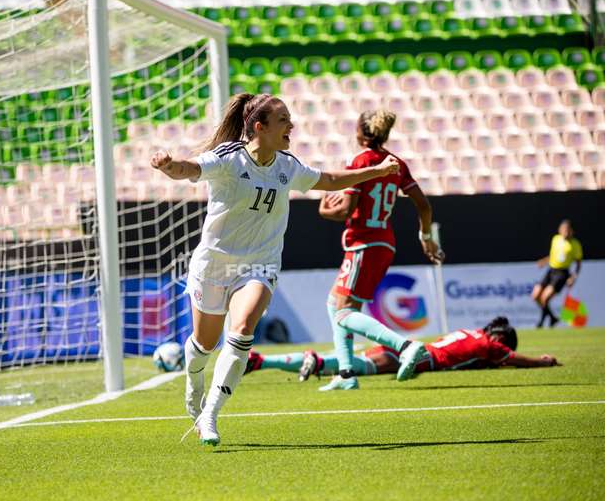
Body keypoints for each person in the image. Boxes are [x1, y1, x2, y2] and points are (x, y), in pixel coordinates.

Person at [150, 93, 403, 446]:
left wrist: (374, 171)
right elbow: (188, 169)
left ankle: (210, 414)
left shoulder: (287, 165)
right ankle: (194, 383)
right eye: (283, 120)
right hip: (214, 263)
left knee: (241, 330)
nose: (291, 126)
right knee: (205, 344)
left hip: (260, 264)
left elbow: (328, 180)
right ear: (260, 127)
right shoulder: (229, 158)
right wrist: (167, 164)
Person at [316, 109, 444, 391]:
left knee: (344, 311)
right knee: (335, 303)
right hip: (383, 242)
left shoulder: (360, 161)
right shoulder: (395, 163)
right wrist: (425, 236)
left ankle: (406, 346)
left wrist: (325, 210)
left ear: (361, 131)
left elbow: (346, 210)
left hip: (363, 242)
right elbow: (424, 205)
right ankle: (347, 373)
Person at [244, 317, 561, 379]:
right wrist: (543, 362)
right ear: (501, 338)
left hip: (411, 351)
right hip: (419, 359)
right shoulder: (488, 345)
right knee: (346, 365)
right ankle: (300, 361)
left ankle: (261, 362)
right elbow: (516, 360)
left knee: (342, 361)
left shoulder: (472, 333)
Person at [532, 219, 582, 328]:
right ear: (560, 230)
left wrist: (573, 277)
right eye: (564, 230)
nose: (566, 232)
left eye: (568, 230)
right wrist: (544, 261)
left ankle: (541, 322)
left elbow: (578, 263)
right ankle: (552, 318)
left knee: (545, 298)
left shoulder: (575, 244)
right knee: (535, 295)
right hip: (551, 270)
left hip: (562, 273)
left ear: (571, 231)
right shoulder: (556, 239)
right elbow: (553, 256)